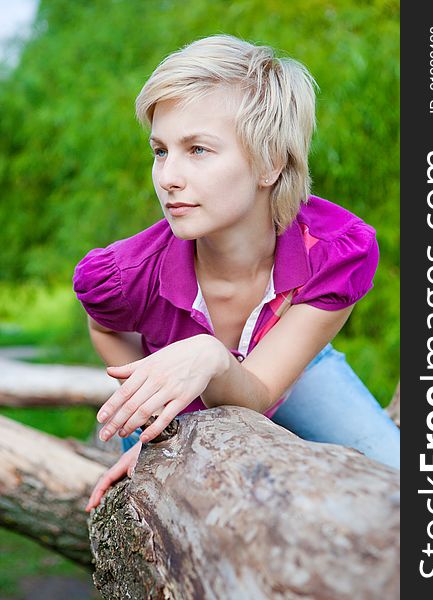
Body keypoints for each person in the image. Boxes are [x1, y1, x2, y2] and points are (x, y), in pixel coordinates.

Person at [73, 34, 400, 512]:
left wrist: (213, 355)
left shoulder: (335, 252)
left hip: (290, 368)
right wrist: (152, 412)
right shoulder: (127, 273)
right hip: (178, 386)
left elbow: (263, 389)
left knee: (396, 479)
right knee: (171, 519)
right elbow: (103, 324)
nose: (168, 177)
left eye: (198, 149)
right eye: (160, 150)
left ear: (269, 163)